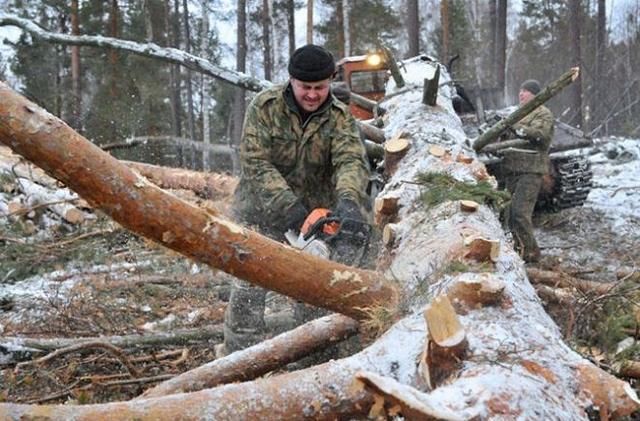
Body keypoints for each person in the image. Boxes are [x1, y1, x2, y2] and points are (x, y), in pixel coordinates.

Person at [223, 44, 371, 353]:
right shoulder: (265, 108)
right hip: (260, 211)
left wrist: (348, 200)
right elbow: (255, 162)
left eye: (320, 87)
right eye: (306, 87)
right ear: (292, 80)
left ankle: (310, 357)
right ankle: (238, 360)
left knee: (313, 289)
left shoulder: (340, 117)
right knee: (249, 286)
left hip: (313, 218)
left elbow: (351, 161)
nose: (313, 95)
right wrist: (288, 207)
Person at [501, 79, 554, 263]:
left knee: (519, 213)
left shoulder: (542, 113)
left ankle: (531, 254)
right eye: (520, 90)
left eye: (526, 91)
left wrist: (515, 128)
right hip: (513, 169)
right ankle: (518, 249)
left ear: (535, 94)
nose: (521, 94)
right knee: (506, 213)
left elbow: (539, 135)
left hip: (530, 170)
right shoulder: (519, 113)